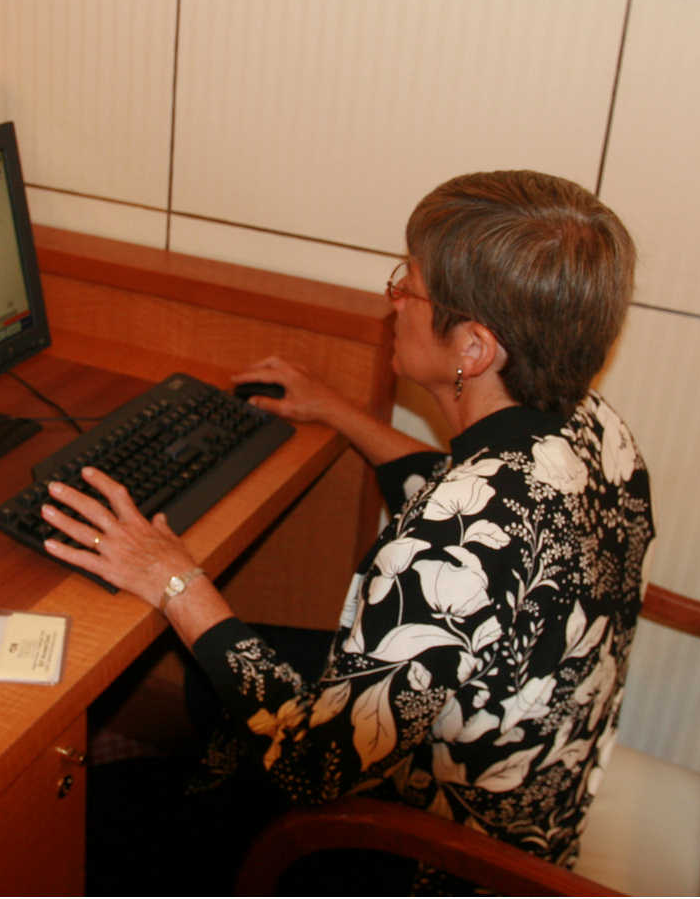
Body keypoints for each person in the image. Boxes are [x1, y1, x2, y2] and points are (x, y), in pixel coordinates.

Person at [41, 170, 654, 889]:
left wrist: (173, 576)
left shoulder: (451, 544)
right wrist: (339, 410)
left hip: (443, 861)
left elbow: (314, 767)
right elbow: (484, 506)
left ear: (475, 348)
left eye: (410, 285)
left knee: (96, 828)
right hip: (539, 794)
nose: (392, 299)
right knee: (217, 687)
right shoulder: (594, 426)